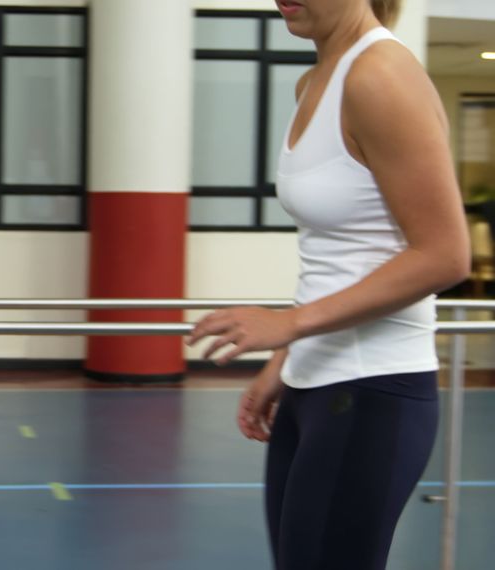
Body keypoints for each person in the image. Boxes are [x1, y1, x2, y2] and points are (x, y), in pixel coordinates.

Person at [188, 0, 470, 568]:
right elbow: (344, 254)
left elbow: (445, 254)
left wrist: (287, 323)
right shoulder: (315, 81)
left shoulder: (381, 75)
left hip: (373, 390)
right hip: (314, 384)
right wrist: (289, 356)